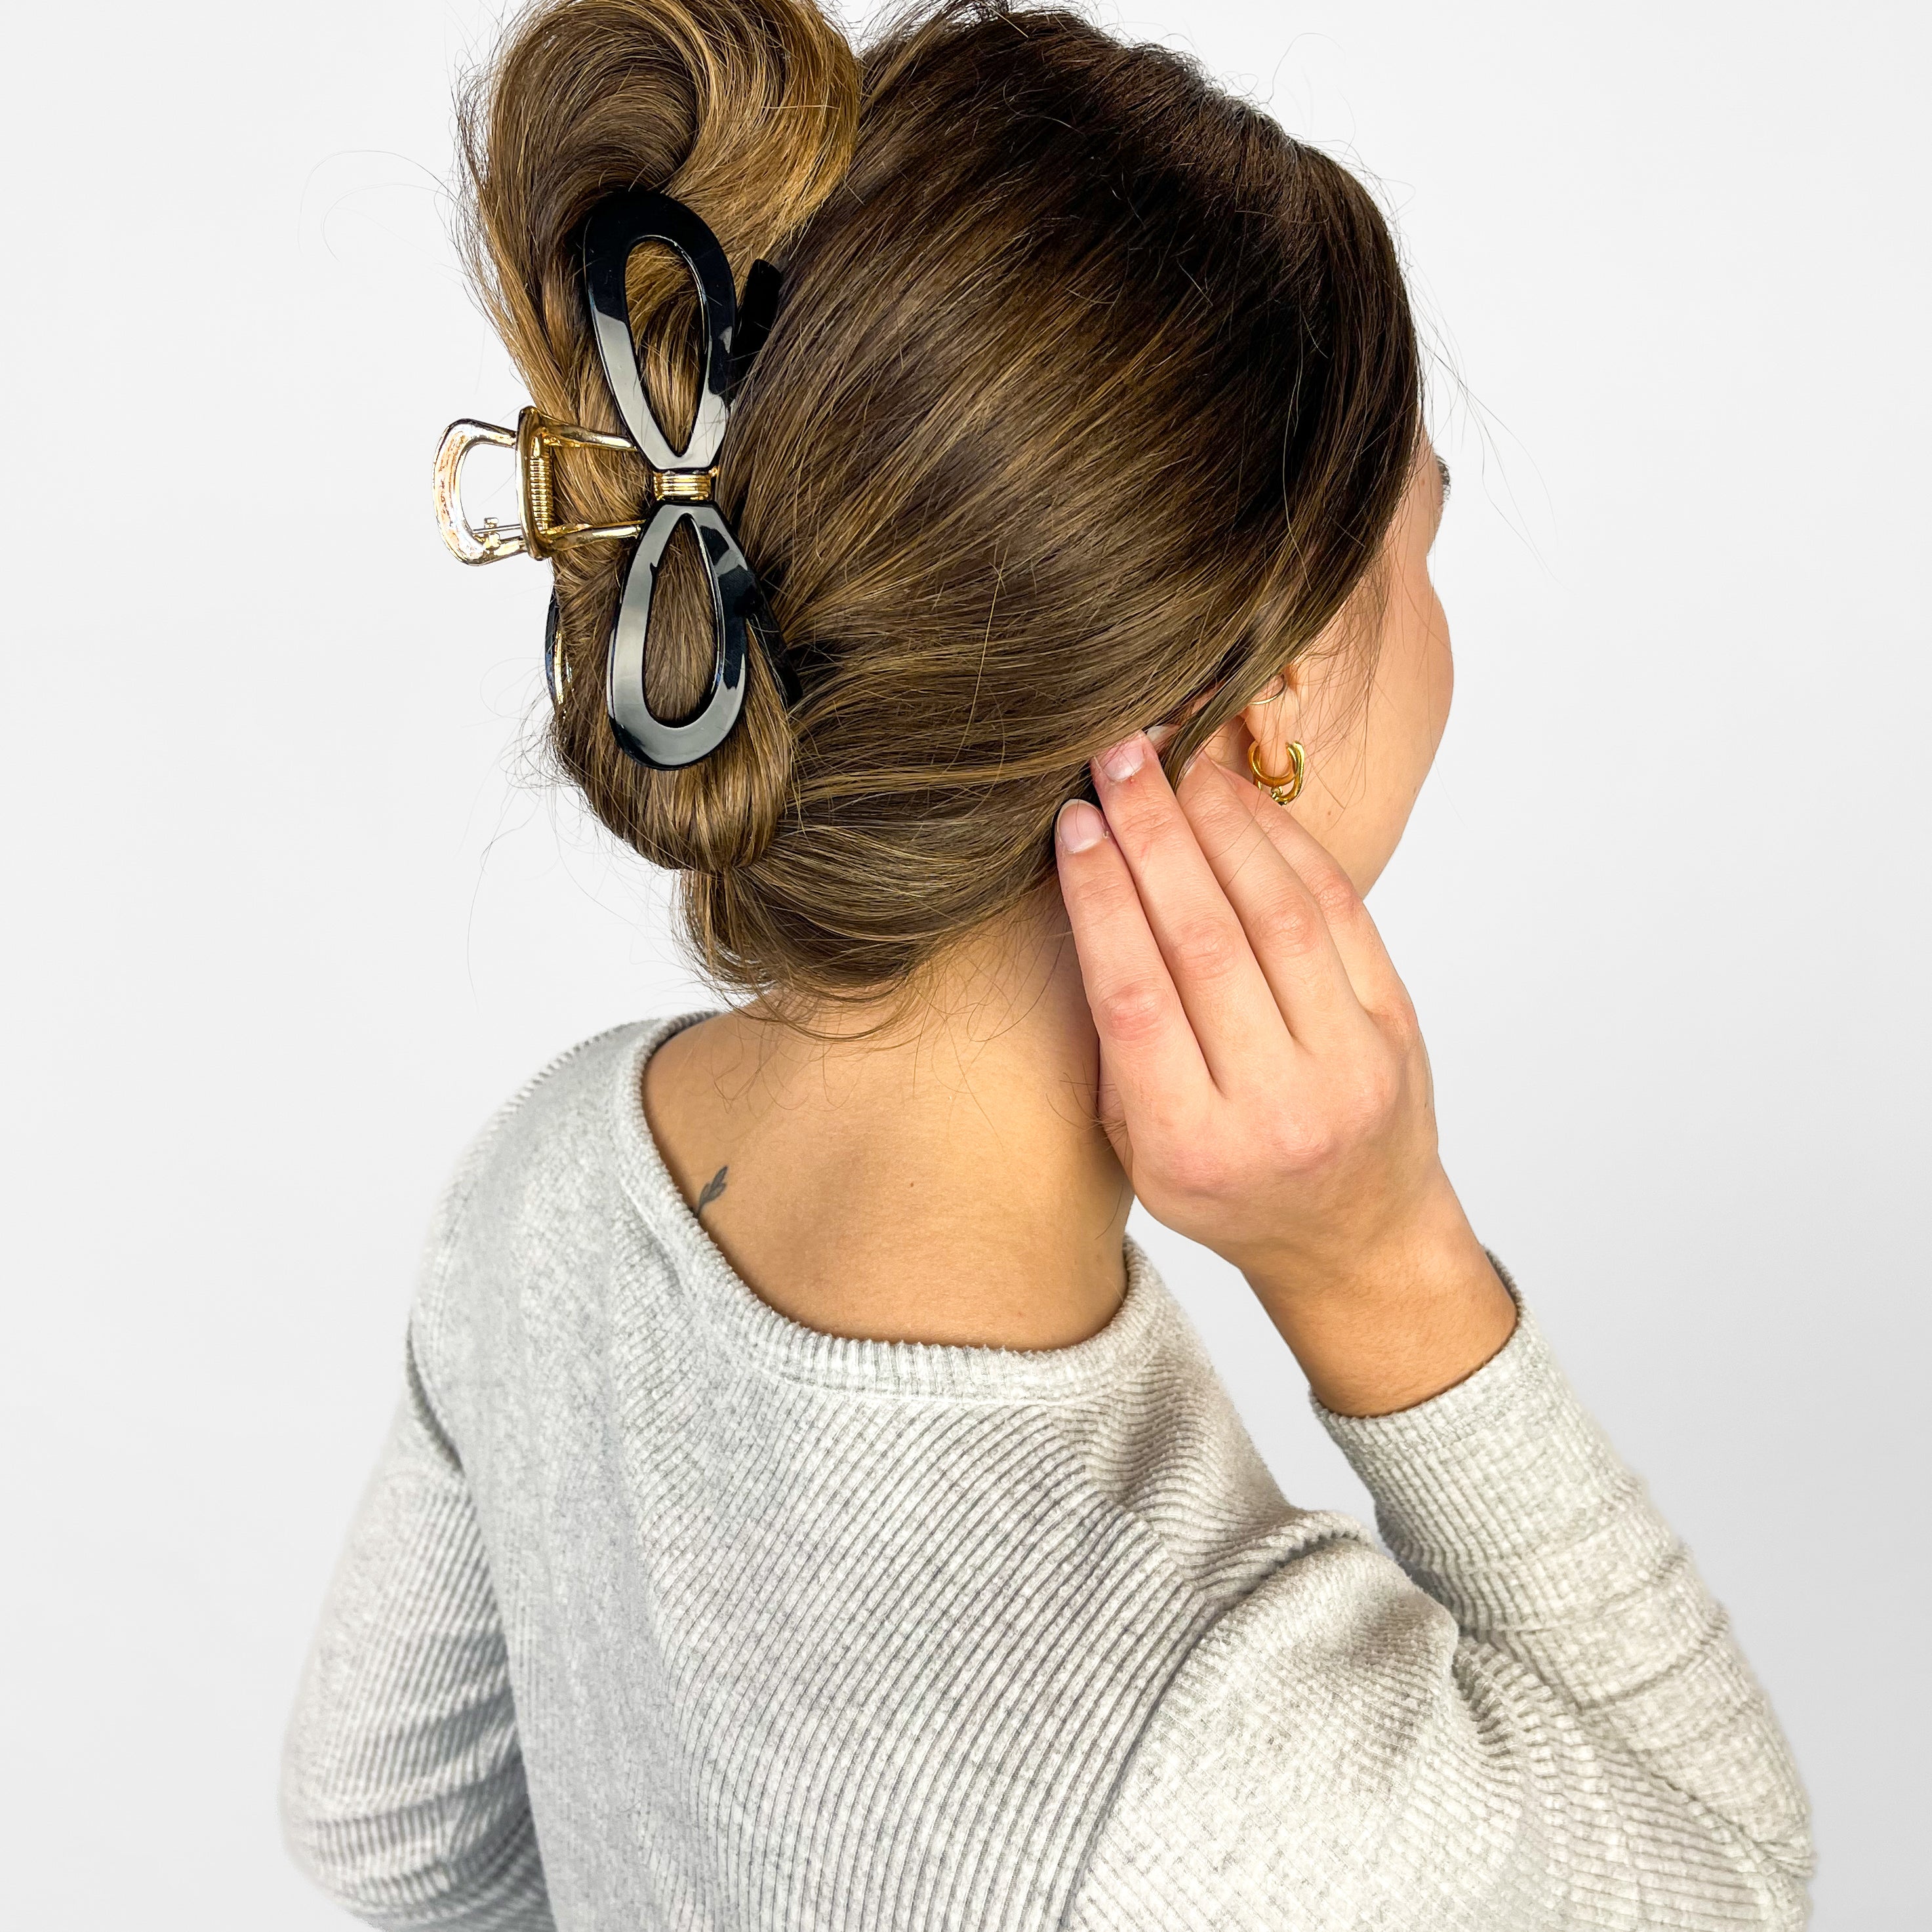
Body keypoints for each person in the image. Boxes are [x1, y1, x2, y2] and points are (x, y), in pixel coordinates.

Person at [279, 1, 1813, 1925]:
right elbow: (1738, 1885)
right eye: (1417, 546)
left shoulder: (553, 1178)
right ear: (1268, 702)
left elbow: (388, 1834)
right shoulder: (1220, 1752)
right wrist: (1381, 1267)